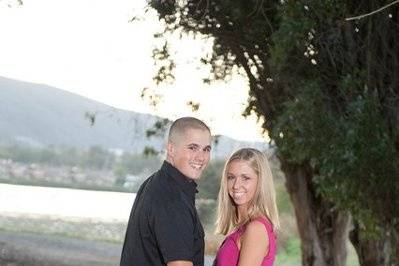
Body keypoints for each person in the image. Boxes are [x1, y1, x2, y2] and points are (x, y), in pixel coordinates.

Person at [120, 117, 212, 266]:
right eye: (193, 148)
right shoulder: (172, 198)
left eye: (206, 149)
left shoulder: (154, 183)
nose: (201, 157)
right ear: (171, 149)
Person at [214, 148, 279, 266]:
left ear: (260, 182)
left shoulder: (256, 228)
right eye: (231, 177)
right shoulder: (242, 227)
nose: (236, 185)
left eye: (246, 178)